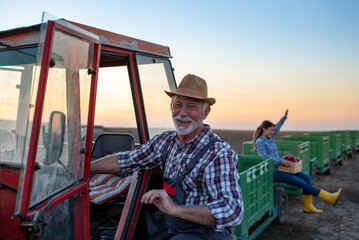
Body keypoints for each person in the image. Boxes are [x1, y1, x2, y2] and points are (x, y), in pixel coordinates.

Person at [91, 74, 243, 239]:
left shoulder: (218, 153)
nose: (182, 113)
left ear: (205, 112)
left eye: (191, 107)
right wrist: (84, 168)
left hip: (204, 233)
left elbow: (233, 210)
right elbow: (126, 160)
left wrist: (175, 209)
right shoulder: (165, 141)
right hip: (174, 228)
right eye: (178, 105)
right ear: (171, 107)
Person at [253, 109, 342, 214]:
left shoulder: (269, 138)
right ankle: (329, 198)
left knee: (307, 177)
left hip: (280, 167)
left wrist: (284, 117)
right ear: (264, 129)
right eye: (271, 130)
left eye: (273, 130)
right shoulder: (260, 142)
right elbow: (265, 158)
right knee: (300, 182)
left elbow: (278, 127)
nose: (273, 132)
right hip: (272, 171)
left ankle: (308, 206)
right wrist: (282, 162)